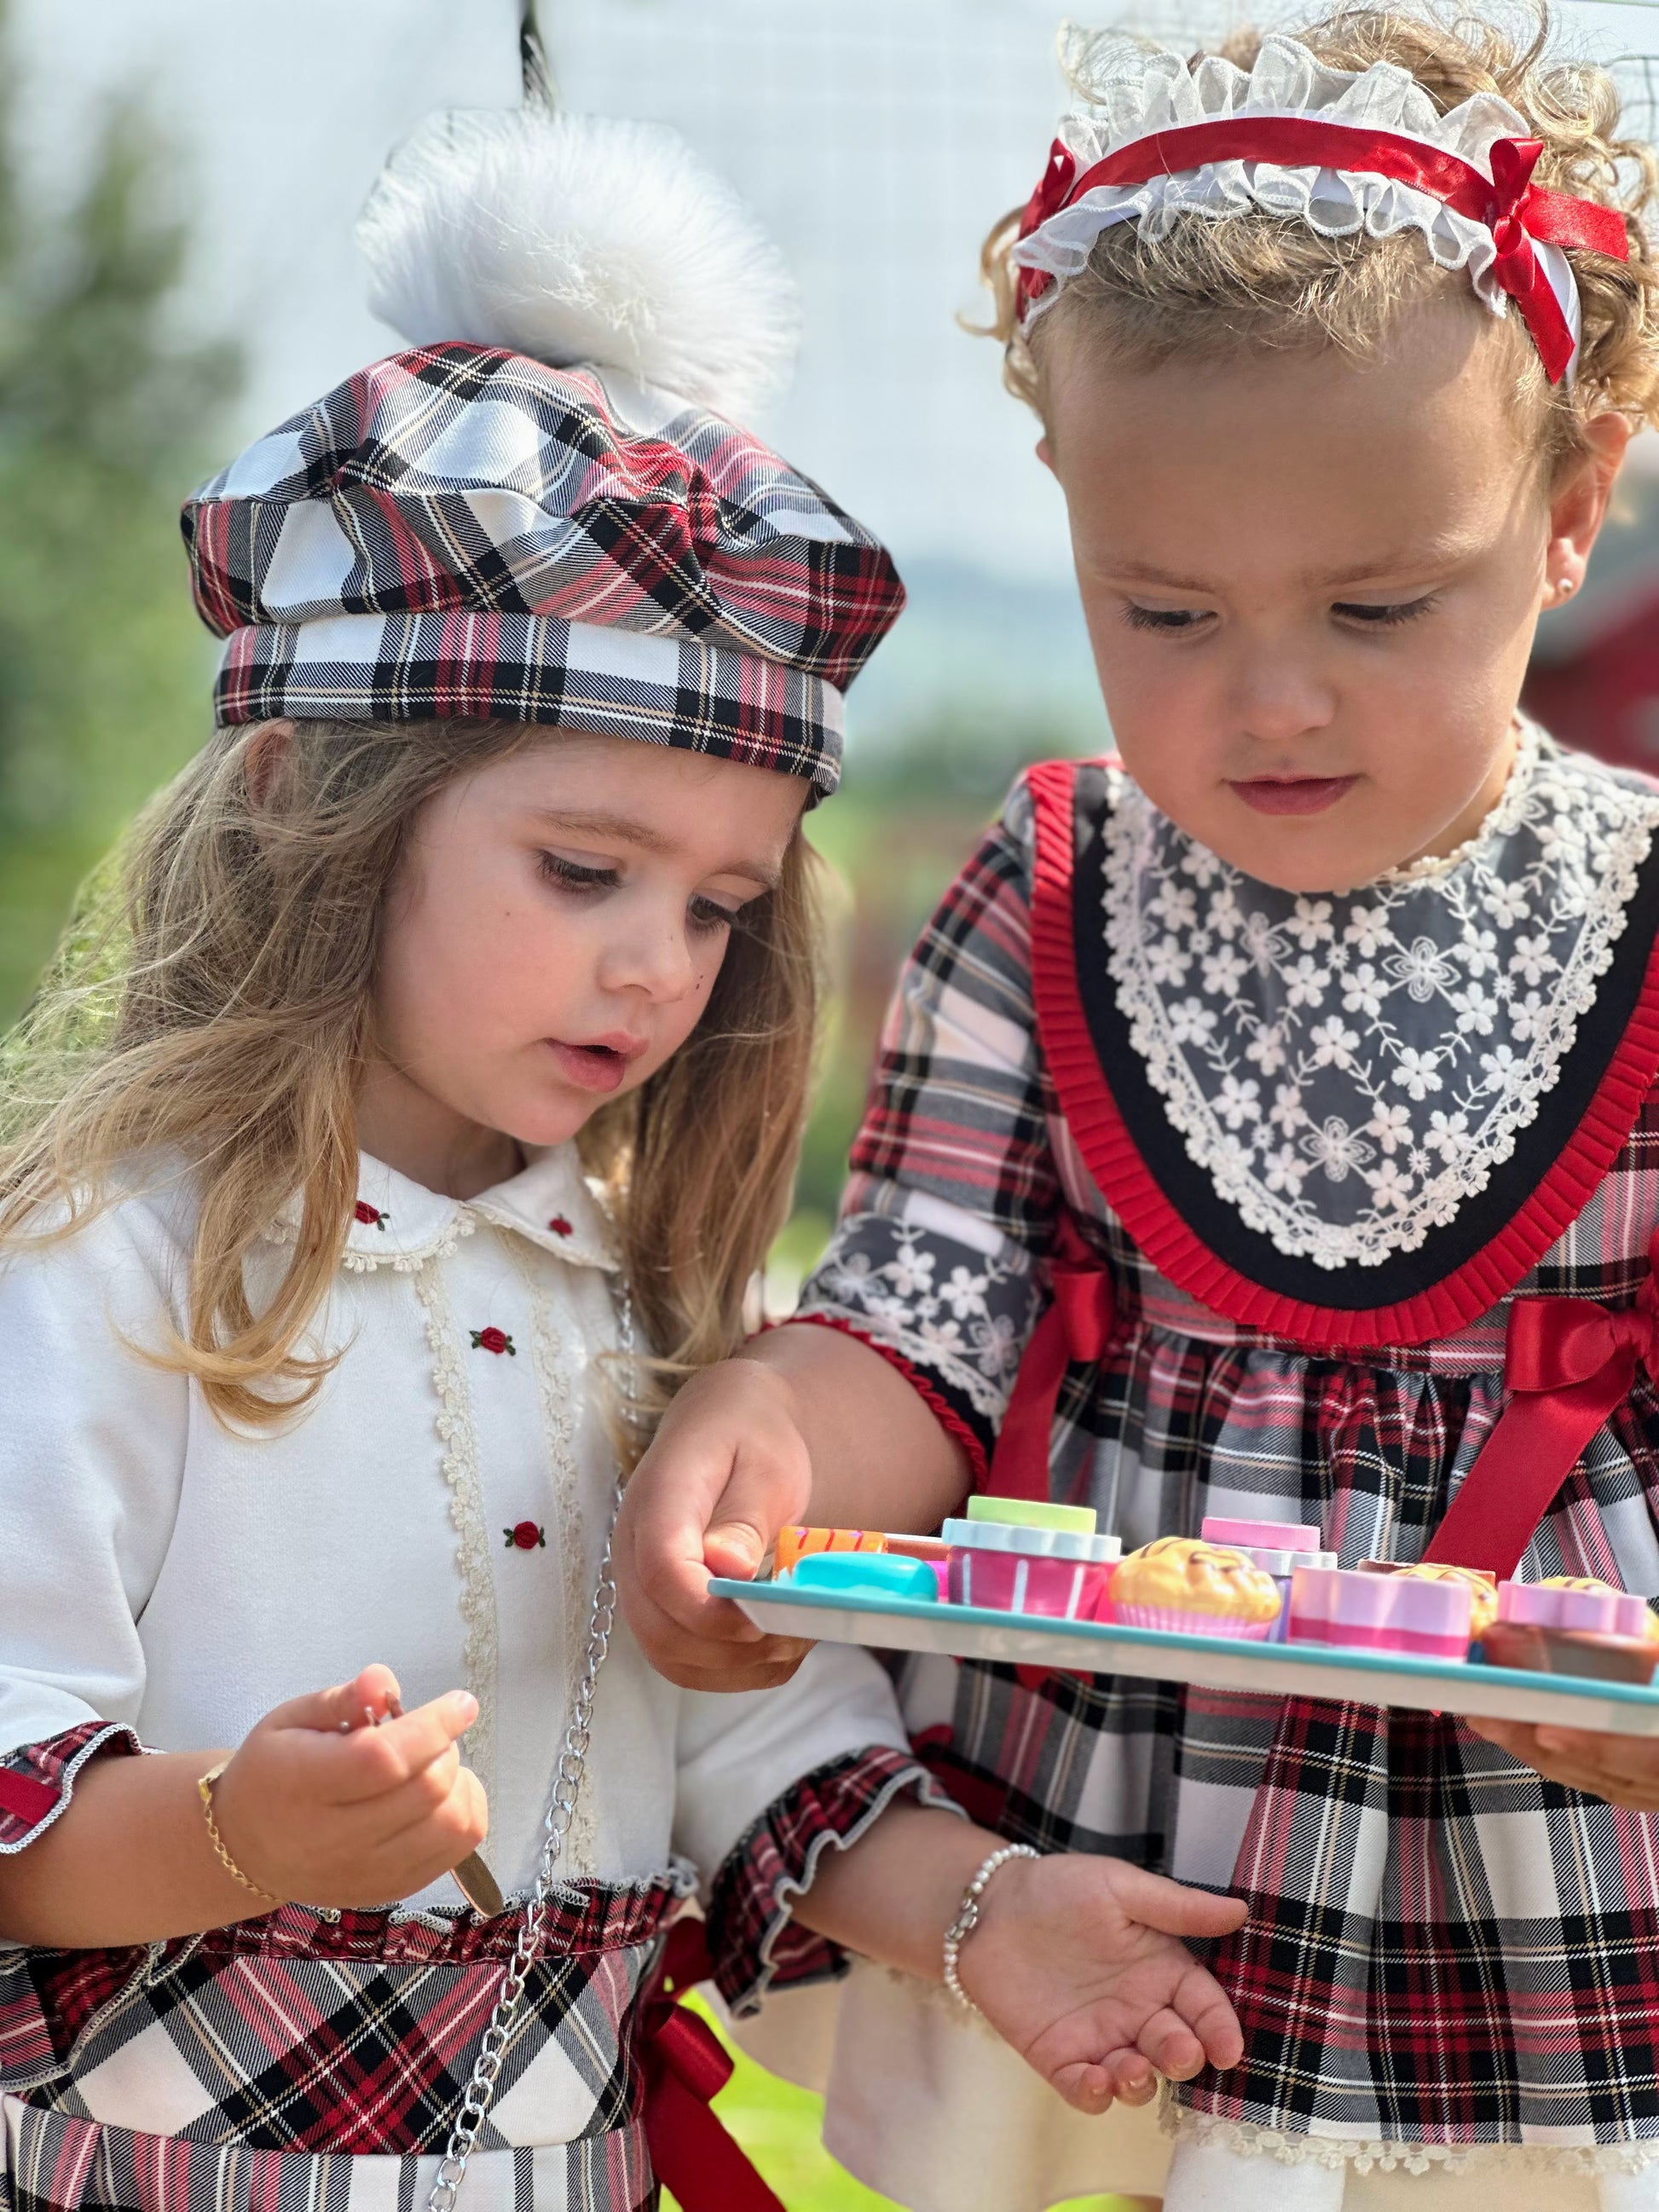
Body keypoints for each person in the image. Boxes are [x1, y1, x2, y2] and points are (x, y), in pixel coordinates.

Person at [0, 104, 1255, 2212]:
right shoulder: (105, 1267)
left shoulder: (645, 1294)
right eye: (584, 867)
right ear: (305, 798)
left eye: (717, 904)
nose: (657, 964)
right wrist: (240, 1828)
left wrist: (987, 1911)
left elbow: (757, 1744)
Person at [614, 10, 1659, 2209]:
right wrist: (779, 1431)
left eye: (1377, 605)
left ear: (1570, 516)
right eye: (1161, 608)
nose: (1268, 696)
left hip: (1559, 1872)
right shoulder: (1050, 884)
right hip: (1113, 1859)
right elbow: (925, 1303)